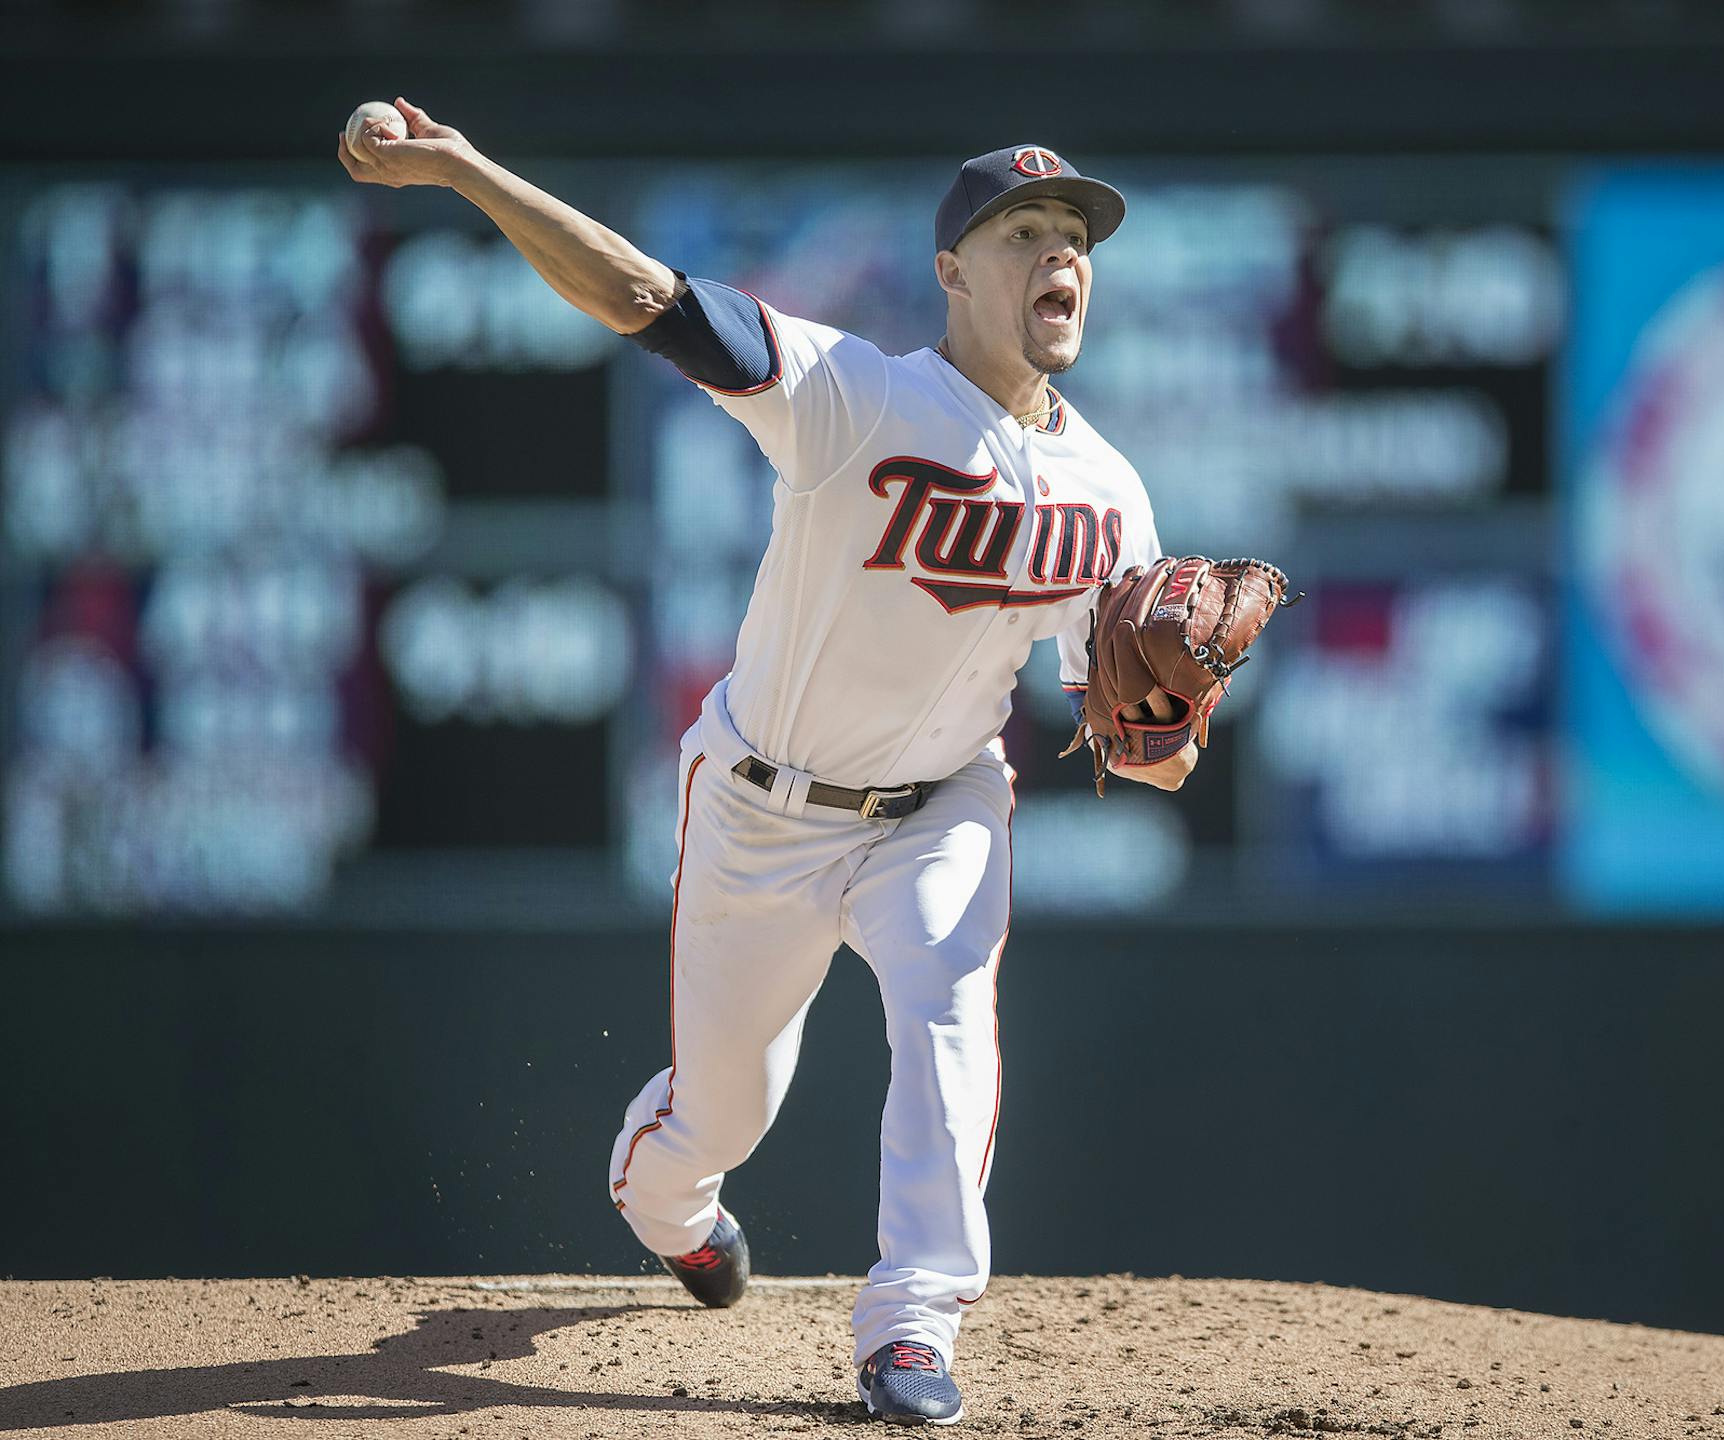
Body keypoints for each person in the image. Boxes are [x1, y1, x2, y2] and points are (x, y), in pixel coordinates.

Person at [339, 102, 1193, 1426]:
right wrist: (462, 168)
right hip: (760, 805)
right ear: (954, 271)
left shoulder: (1115, 493)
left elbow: (1114, 705)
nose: (1059, 254)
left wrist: (1157, 741)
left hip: (943, 804)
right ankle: (672, 1205)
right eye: (1023, 231)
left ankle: (909, 1328)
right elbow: (643, 294)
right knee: (717, 1121)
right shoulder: (854, 393)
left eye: (1074, 235)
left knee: (952, 1018)